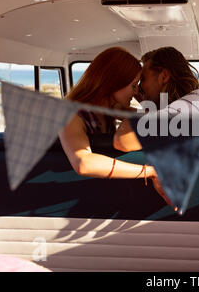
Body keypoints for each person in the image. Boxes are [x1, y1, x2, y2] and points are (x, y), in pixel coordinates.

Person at [58, 47, 171, 205]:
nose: (135, 92)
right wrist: (151, 172)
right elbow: (83, 163)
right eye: (133, 85)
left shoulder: (109, 109)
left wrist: (140, 95)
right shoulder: (70, 114)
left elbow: (149, 116)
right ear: (113, 83)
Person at [113, 46, 199, 152]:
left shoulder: (189, 106)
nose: (139, 88)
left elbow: (123, 140)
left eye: (142, 79)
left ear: (163, 76)